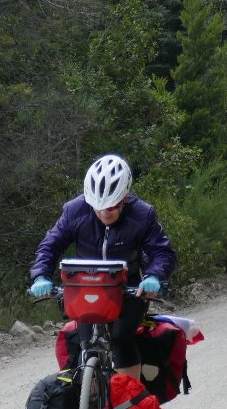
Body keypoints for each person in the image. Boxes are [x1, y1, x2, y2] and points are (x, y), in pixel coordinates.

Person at [28, 154, 178, 384]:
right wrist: (40, 276)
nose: (104, 213)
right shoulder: (74, 211)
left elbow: (162, 252)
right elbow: (50, 245)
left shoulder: (143, 214)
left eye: (111, 207)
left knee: (120, 337)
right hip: (86, 288)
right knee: (86, 343)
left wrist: (154, 276)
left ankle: (129, 404)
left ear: (124, 198)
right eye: (98, 208)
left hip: (129, 289)